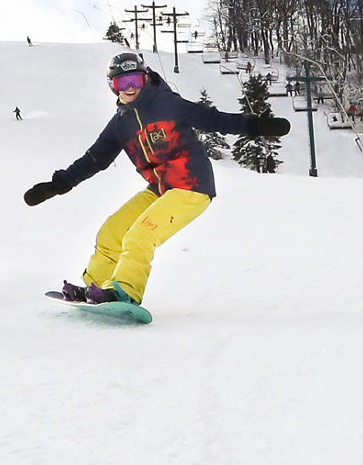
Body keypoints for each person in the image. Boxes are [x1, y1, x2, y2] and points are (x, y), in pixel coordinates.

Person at [23, 52, 290, 306]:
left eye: (135, 81)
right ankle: (95, 287)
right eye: (122, 83)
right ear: (112, 86)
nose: (130, 89)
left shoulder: (167, 104)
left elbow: (212, 120)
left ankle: (125, 293)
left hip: (192, 185)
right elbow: (94, 160)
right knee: (112, 230)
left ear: (145, 78)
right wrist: (57, 185)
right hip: (161, 189)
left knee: (141, 233)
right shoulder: (120, 124)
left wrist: (258, 126)